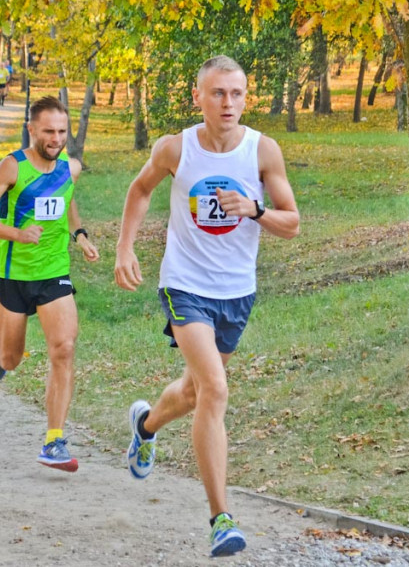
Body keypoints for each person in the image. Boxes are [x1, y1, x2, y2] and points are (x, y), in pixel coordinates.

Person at [113, 55, 300, 558]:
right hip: (185, 284)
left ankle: (146, 424)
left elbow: (292, 221)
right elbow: (139, 190)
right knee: (216, 388)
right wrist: (125, 249)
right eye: (218, 93)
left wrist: (255, 209)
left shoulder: (263, 151)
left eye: (237, 93)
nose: (228, 103)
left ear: (246, 97)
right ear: (198, 97)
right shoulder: (177, 148)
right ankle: (221, 519)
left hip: (237, 291)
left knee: (197, 392)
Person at [0, 95, 99, 472]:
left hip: (54, 272)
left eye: (62, 131)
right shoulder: (12, 167)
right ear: (32, 130)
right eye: (48, 131)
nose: (56, 138)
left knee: (64, 348)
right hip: (14, 275)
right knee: (12, 358)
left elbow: (67, 200)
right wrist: (17, 234)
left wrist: (81, 236)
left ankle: (54, 439)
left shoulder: (69, 168)